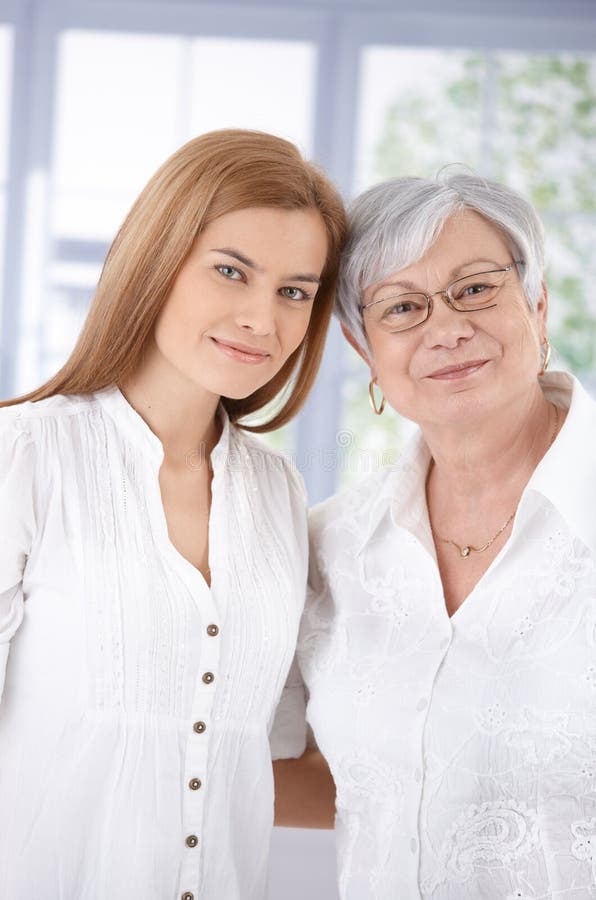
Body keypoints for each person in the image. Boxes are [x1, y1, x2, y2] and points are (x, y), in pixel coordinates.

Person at [0, 129, 347, 900]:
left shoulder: (279, 494)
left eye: (295, 289)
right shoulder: (24, 457)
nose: (263, 318)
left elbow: (263, 756)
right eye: (232, 272)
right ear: (156, 260)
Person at [272, 173, 596, 899]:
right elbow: (333, 779)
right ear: (365, 351)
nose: (445, 328)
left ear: (538, 305)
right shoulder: (330, 548)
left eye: (476, 289)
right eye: (401, 308)